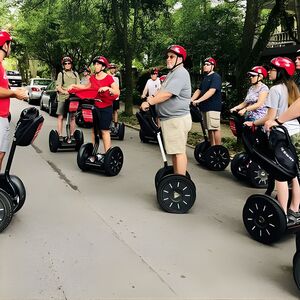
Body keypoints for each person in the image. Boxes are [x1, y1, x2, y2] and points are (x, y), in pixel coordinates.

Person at [245, 57, 300, 224]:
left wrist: (252, 123)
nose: (269, 72)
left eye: (272, 69)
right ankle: (295, 210)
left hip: (281, 135)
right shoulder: (293, 88)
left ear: (280, 72)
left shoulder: (275, 90)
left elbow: (270, 118)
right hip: (296, 133)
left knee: (280, 174)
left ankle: (281, 214)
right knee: (295, 174)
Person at [140, 45, 192, 176]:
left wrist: (150, 102)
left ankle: (179, 183)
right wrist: (151, 97)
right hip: (171, 119)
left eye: (172, 57)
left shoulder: (180, 73)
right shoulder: (172, 73)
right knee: (175, 152)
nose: (168, 59)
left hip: (177, 119)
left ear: (180, 59)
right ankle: (177, 178)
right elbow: (160, 91)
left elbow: (167, 94)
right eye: (167, 57)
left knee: (179, 152)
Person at [68, 55, 120, 161]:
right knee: (94, 130)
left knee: (105, 131)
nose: (95, 66)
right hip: (95, 107)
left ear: (103, 67)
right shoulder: (92, 78)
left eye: (98, 64)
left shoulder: (109, 78)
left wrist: (108, 88)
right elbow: (86, 87)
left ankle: (108, 156)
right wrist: (74, 86)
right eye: (95, 64)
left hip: (106, 107)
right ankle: (93, 153)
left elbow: (117, 92)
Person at [0, 30, 28, 170]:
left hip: (3, 117)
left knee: (1, 154)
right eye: (10, 44)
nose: (10, 48)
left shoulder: (1, 67)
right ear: (5, 45)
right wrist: (15, 93)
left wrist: (15, 92)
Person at [191, 57, 222, 146]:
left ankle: (218, 148)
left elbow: (211, 91)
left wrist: (199, 100)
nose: (205, 66)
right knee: (209, 128)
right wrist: (192, 99)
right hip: (205, 107)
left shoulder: (216, 77)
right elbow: (199, 90)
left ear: (213, 66)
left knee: (215, 128)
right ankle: (212, 147)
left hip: (213, 107)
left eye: (208, 65)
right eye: (205, 64)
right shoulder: (205, 78)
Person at [56, 56, 80, 141]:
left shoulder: (75, 74)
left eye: (69, 63)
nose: (67, 65)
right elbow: (58, 87)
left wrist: (75, 91)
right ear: (63, 65)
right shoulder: (61, 74)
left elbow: (78, 86)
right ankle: (59, 135)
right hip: (63, 98)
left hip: (73, 98)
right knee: (61, 116)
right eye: (65, 63)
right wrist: (64, 91)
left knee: (72, 117)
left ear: (71, 64)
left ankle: (72, 135)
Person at [107, 63, 120, 132]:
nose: (112, 69)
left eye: (113, 68)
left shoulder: (117, 78)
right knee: (109, 111)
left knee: (115, 111)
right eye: (111, 68)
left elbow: (118, 87)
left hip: (115, 97)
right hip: (108, 97)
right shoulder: (107, 77)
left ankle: (115, 126)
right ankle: (109, 125)